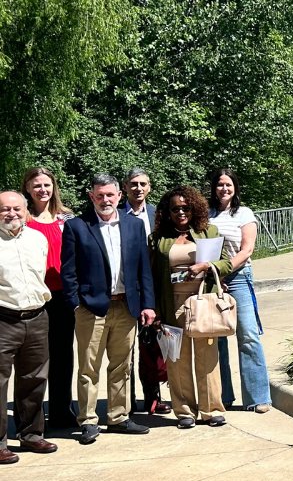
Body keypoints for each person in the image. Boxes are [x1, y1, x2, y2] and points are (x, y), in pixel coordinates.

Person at [61, 173, 157, 443]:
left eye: (110, 195)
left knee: (121, 366)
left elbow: (143, 270)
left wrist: (147, 304)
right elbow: (69, 272)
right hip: (91, 309)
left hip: (126, 306)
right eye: (99, 195)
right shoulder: (78, 227)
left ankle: (118, 417)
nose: (105, 200)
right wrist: (76, 304)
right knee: (88, 368)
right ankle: (88, 420)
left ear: (119, 196)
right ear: (92, 196)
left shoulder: (133, 225)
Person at [149, 186, 232, 428]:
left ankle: (211, 410)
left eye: (186, 208)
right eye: (176, 209)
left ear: (194, 208)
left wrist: (207, 266)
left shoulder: (209, 232)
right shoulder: (157, 239)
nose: (181, 212)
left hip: (203, 303)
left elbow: (226, 263)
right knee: (177, 360)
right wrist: (154, 310)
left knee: (207, 358)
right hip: (171, 304)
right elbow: (152, 276)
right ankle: (184, 411)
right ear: (167, 212)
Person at [207, 168, 271, 413]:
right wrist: (214, 277)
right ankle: (222, 396)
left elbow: (247, 250)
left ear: (235, 188)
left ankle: (257, 397)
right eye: (220, 184)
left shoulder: (244, 213)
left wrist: (223, 271)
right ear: (214, 187)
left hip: (239, 278)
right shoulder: (207, 214)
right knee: (217, 339)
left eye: (229, 185)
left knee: (248, 335)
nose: (224, 189)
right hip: (213, 280)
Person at [0, 191, 57, 463]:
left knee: (34, 379)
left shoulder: (38, 238)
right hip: (3, 319)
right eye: (5, 209)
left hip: (36, 317)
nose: (12, 213)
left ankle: (31, 434)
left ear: (26, 211)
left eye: (17, 209)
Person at [21, 166, 78, 433]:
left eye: (46, 185)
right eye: (36, 186)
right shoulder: (22, 219)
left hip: (62, 296)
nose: (42, 190)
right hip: (33, 296)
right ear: (28, 190)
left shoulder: (66, 218)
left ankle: (60, 411)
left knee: (62, 356)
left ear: (54, 187)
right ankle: (32, 416)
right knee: (35, 359)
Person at [120, 167, 170, 416]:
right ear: (125, 187)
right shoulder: (115, 214)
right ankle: (126, 402)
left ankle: (153, 397)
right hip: (127, 290)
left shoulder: (158, 215)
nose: (138, 188)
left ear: (149, 187)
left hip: (154, 289)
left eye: (143, 184)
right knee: (125, 350)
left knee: (151, 346)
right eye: (133, 184)